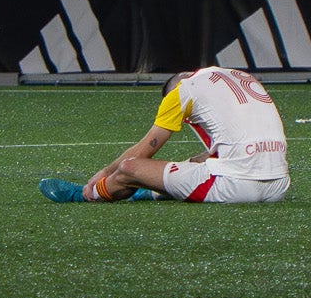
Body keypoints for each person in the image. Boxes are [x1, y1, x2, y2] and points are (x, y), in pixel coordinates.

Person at [40, 67, 292, 204]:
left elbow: (142, 152)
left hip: (237, 187)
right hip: (279, 186)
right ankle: (149, 190)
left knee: (129, 168)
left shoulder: (181, 91)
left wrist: (104, 173)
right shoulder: (238, 75)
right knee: (196, 162)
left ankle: (87, 195)